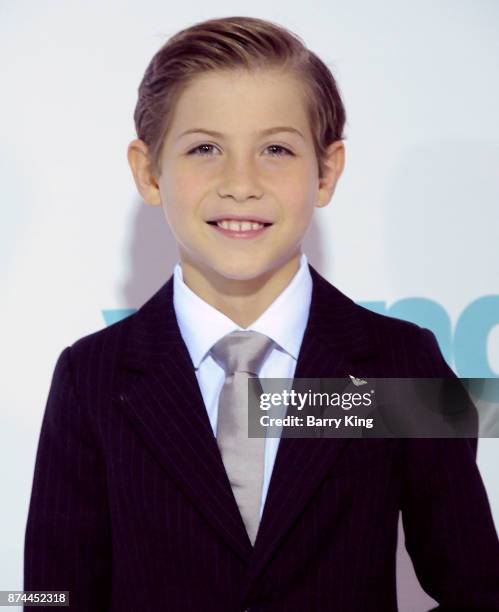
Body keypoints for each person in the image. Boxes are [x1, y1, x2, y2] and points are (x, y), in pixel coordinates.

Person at [24, 15, 499, 611]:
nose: (241, 182)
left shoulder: (401, 363)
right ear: (148, 171)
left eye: (276, 149)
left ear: (327, 171)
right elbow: (49, 596)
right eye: (204, 148)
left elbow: (480, 589)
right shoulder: (90, 376)